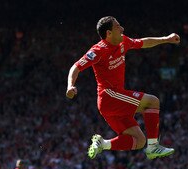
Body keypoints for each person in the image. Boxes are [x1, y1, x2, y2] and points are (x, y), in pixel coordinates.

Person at [66, 16, 180, 159]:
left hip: (114, 102)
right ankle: (153, 147)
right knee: (153, 101)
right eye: (118, 27)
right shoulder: (98, 50)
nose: (122, 29)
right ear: (108, 33)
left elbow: (143, 42)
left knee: (139, 141)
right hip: (109, 96)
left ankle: (103, 144)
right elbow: (75, 67)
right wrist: (70, 86)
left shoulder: (123, 41)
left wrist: (166, 39)